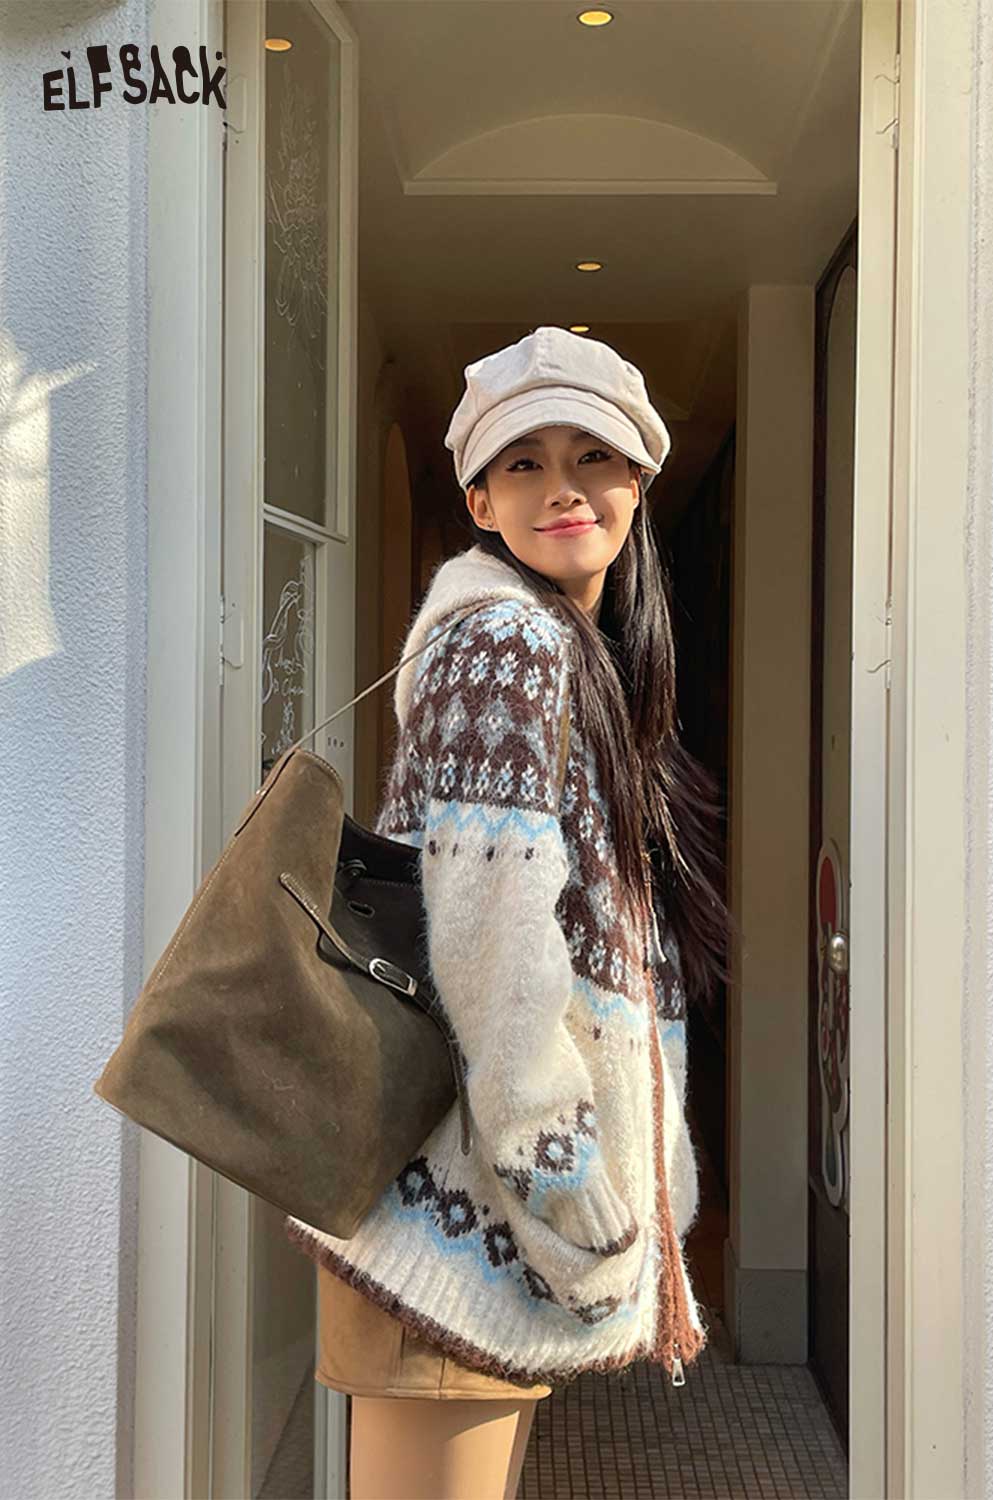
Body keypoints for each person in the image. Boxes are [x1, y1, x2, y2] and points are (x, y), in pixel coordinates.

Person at [285, 326, 731, 1500]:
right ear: (477, 499)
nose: (563, 487)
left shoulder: (574, 650)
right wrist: (560, 1168)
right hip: (474, 1213)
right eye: (522, 463)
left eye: (593, 455)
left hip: (486, 1222)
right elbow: (491, 932)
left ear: (639, 481)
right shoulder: (506, 642)